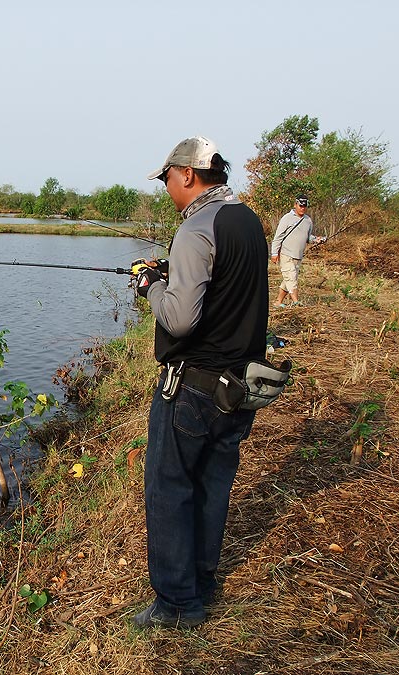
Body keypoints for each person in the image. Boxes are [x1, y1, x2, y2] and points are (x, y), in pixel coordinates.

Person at [133, 136, 269, 629]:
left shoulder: (195, 228)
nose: (167, 188)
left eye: (167, 178)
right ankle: (202, 586)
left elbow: (181, 319)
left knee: (169, 491)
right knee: (213, 488)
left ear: (187, 174)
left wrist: (150, 287)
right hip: (240, 389)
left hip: (190, 388)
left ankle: (175, 606)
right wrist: (174, 274)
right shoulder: (247, 220)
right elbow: (229, 290)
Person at [269, 195, 325, 307]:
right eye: (300, 205)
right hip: (286, 254)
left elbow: (307, 237)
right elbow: (278, 237)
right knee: (292, 278)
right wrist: (274, 253)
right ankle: (296, 302)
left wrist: (316, 240)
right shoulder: (286, 218)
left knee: (288, 280)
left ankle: (278, 302)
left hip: (298, 256)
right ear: (295, 205)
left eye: (304, 206)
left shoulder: (308, 221)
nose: (302, 208)